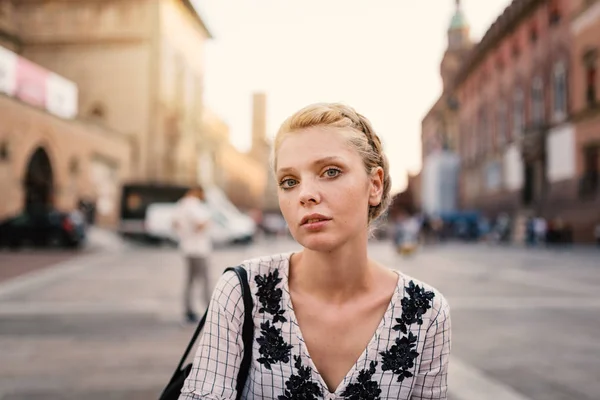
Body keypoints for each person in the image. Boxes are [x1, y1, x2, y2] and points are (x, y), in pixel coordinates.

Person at [179, 103, 451, 399]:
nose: (305, 194)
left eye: (330, 171)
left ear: (374, 185)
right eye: (289, 181)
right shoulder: (245, 291)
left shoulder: (426, 311)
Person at [172, 186, 213, 324]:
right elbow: (200, 223)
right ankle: (210, 310)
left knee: (190, 281)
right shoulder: (194, 205)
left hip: (187, 248)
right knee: (205, 280)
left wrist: (184, 234)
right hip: (199, 249)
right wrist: (206, 224)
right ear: (197, 192)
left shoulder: (181, 204)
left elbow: (174, 223)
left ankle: (188, 310)